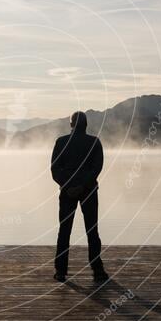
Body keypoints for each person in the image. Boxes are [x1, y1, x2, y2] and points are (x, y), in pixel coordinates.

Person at [51, 111, 109, 284]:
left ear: (71, 125)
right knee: (92, 230)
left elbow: (55, 169)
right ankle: (97, 270)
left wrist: (68, 185)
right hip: (89, 191)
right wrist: (82, 186)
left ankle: (60, 271)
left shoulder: (61, 142)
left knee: (64, 231)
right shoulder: (94, 142)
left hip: (67, 192)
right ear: (86, 125)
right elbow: (96, 168)